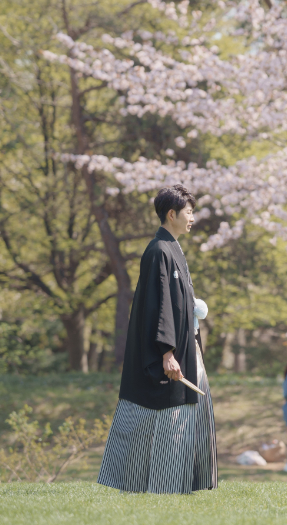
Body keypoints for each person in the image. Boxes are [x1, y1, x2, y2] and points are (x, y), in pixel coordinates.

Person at [97, 185, 217, 494]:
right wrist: (166, 352)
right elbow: (157, 304)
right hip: (172, 352)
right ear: (172, 214)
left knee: (193, 412)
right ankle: (164, 487)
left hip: (186, 349)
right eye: (189, 212)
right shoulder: (158, 250)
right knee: (163, 418)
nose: (193, 218)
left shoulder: (171, 247)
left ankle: (191, 485)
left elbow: (173, 300)